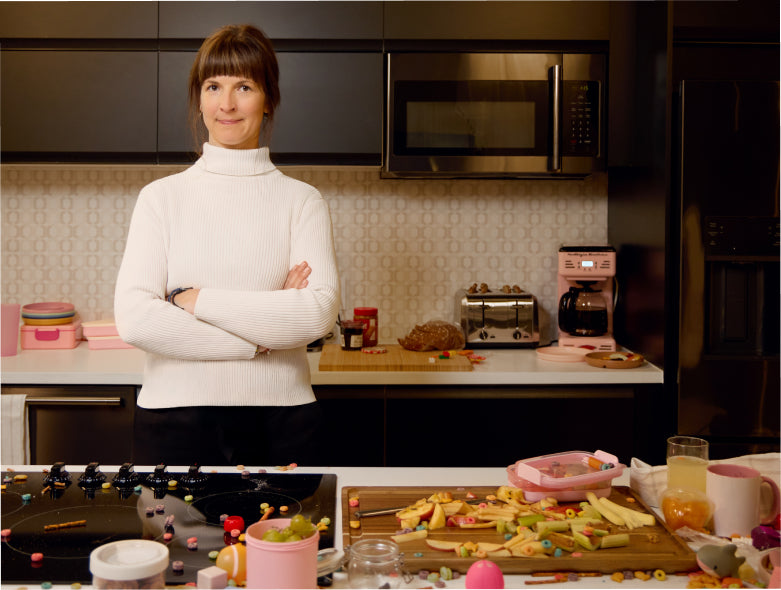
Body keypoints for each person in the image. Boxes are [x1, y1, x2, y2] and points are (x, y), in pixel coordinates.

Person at [114, 24, 340, 467]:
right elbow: (137, 320)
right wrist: (258, 336)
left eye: (245, 86)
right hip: (172, 421)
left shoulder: (303, 201)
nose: (227, 104)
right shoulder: (161, 198)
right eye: (213, 86)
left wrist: (191, 300)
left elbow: (315, 313)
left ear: (268, 98)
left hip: (282, 420)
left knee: (283, 540)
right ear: (199, 99)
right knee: (175, 541)